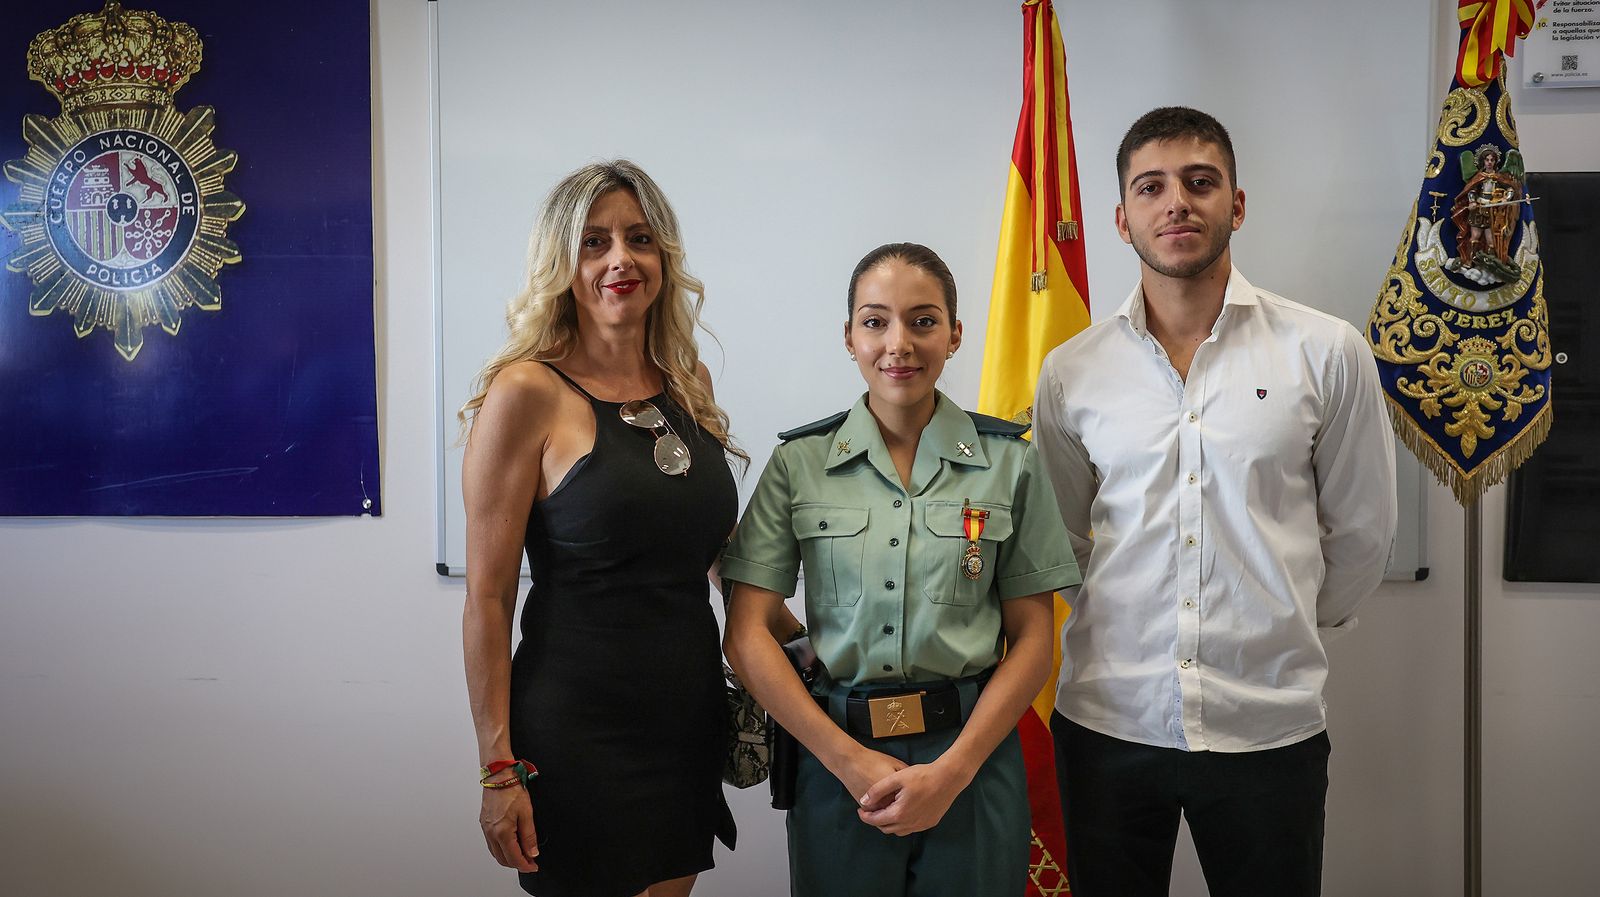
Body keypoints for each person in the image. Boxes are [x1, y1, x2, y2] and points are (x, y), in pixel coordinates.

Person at [1032, 106, 1398, 897]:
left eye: (1201, 183)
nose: (1178, 204)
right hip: (1106, 723)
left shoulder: (1326, 351)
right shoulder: (1071, 372)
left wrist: (1275, 617)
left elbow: (1362, 536)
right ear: (1121, 217)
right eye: (1152, 187)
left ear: (1236, 204)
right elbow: (1064, 542)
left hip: (1269, 726)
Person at [721, 243, 1081, 897]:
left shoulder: (1009, 465)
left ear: (955, 333)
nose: (899, 343)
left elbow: (1034, 639)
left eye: (923, 320)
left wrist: (954, 771)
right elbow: (747, 634)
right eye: (875, 320)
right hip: (836, 765)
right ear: (849, 335)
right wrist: (847, 761)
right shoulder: (800, 464)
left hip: (971, 763)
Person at [460, 160, 775, 897]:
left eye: (638, 238)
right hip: (576, 737)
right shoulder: (527, 391)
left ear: (663, 255)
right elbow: (487, 600)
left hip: (684, 720)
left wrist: (806, 639)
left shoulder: (684, 378)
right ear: (563, 264)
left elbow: (712, 555)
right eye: (594, 242)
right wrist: (498, 766)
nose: (619, 260)